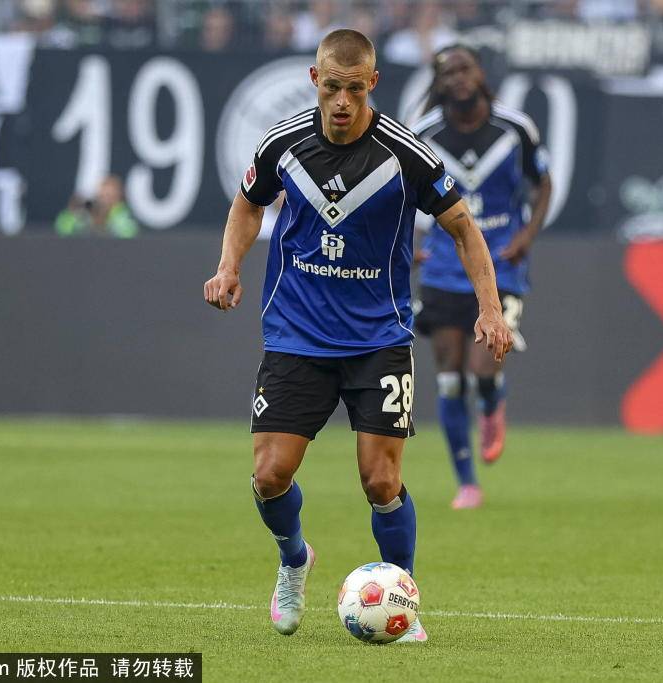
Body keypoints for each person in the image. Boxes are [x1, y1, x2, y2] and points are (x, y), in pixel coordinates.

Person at [203, 29, 513, 643]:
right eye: (332, 87)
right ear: (314, 81)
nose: (342, 101)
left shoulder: (406, 155)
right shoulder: (282, 145)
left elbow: (463, 228)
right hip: (296, 336)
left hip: (378, 340)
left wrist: (491, 309)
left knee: (381, 481)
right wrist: (228, 266)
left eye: (354, 89)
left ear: (373, 83)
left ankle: (402, 599)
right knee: (269, 476)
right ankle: (295, 559)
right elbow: (247, 204)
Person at [411, 45, 552, 509]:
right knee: (449, 378)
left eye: (465, 68)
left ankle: (492, 401)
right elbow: (399, 191)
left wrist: (527, 235)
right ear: (438, 83)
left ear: (480, 74)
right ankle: (467, 483)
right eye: (448, 72)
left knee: (481, 370)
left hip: (501, 264)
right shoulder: (422, 134)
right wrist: (406, 242)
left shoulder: (515, 128)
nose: (458, 77)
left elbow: (543, 182)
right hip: (443, 266)